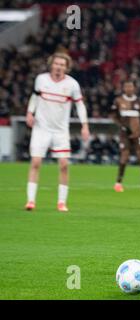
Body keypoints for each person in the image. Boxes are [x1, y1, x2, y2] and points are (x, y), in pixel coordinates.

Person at [25, 52, 90, 212]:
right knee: (36, 163)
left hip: (60, 131)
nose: (59, 67)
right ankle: (31, 201)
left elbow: (80, 105)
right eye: (57, 64)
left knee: (63, 165)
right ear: (51, 65)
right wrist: (29, 112)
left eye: (62, 65)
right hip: (41, 128)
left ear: (66, 67)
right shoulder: (41, 79)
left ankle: (61, 202)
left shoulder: (72, 84)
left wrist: (85, 125)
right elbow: (35, 96)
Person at [110, 80, 140, 192]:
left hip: (138, 133)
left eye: (130, 86)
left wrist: (136, 127)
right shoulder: (118, 101)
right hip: (124, 134)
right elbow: (114, 116)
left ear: (134, 88)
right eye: (126, 86)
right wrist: (123, 126)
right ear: (124, 88)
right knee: (124, 156)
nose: (128, 88)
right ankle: (118, 183)